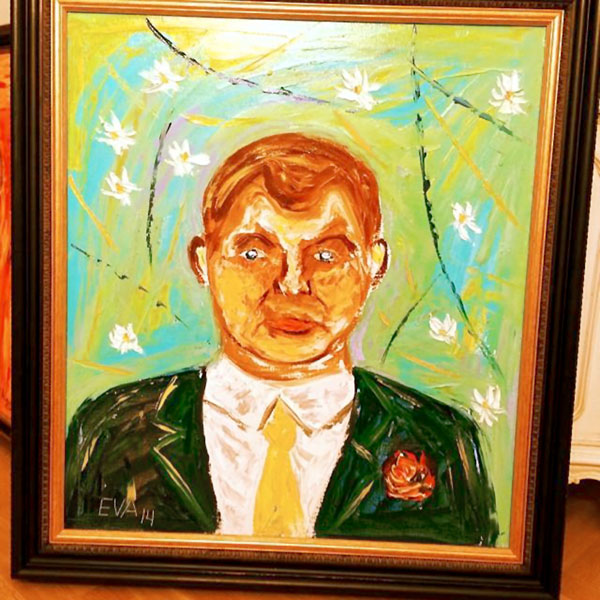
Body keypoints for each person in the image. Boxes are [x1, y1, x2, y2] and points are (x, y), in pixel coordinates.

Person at [66, 132, 498, 546]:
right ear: (203, 261)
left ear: (374, 265)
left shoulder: (442, 440)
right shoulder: (113, 431)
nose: (292, 283)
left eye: (326, 254)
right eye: (254, 252)